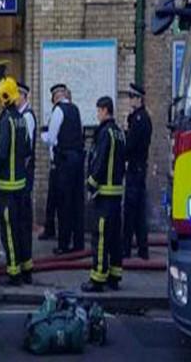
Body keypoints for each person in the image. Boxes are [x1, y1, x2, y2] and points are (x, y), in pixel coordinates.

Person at [82, 96, 126, 293]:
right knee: (115, 237)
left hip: (104, 194)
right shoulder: (119, 133)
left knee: (99, 236)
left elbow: (99, 161)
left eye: (99, 110)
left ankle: (98, 278)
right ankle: (114, 276)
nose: (97, 114)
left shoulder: (105, 134)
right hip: (117, 193)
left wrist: (91, 184)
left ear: (105, 110)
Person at [0, 77, 33, 286]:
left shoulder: (6, 121)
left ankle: (13, 273)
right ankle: (27, 269)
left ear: (6, 98)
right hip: (21, 186)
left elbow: (0, 153)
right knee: (23, 229)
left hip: (7, 187)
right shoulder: (22, 120)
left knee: (8, 229)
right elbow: (27, 149)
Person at [42, 84, 85, 255]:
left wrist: (43, 136)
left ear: (56, 96)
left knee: (64, 204)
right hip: (77, 160)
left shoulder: (58, 111)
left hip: (64, 162)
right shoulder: (75, 109)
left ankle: (63, 244)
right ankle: (78, 242)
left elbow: (52, 138)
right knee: (76, 202)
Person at [124, 83, 153, 260]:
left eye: (132, 97)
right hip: (140, 168)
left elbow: (131, 145)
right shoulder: (141, 118)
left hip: (135, 168)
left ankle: (126, 248)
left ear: (139, 99)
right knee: (139, 211)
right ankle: (143, 249)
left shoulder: (139, 119)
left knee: (131, 210)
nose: (130, 101)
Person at [17, 81, 37, 260]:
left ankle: (26, 256)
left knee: (24, 214)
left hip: (25, 172)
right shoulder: (19, 115)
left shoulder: (27, 117)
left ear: (23, 96)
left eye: (17, 94)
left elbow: (27, 147)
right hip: (21, 173)